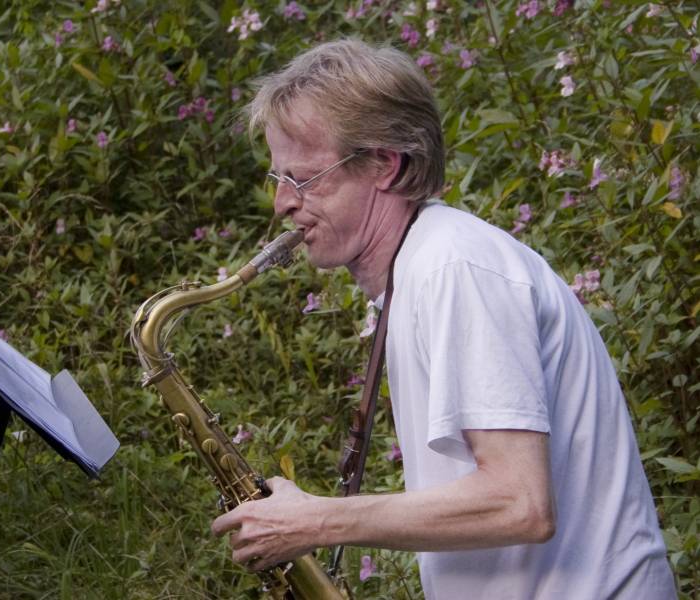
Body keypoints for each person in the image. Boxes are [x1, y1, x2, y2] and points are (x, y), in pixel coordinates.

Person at [211, 39, 676, 599]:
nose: (282, 203)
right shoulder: (418, 271)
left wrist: (317, 521)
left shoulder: (453, 269)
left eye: (304, 178)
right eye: (278, 177)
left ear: (384, 164)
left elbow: (520, 503)